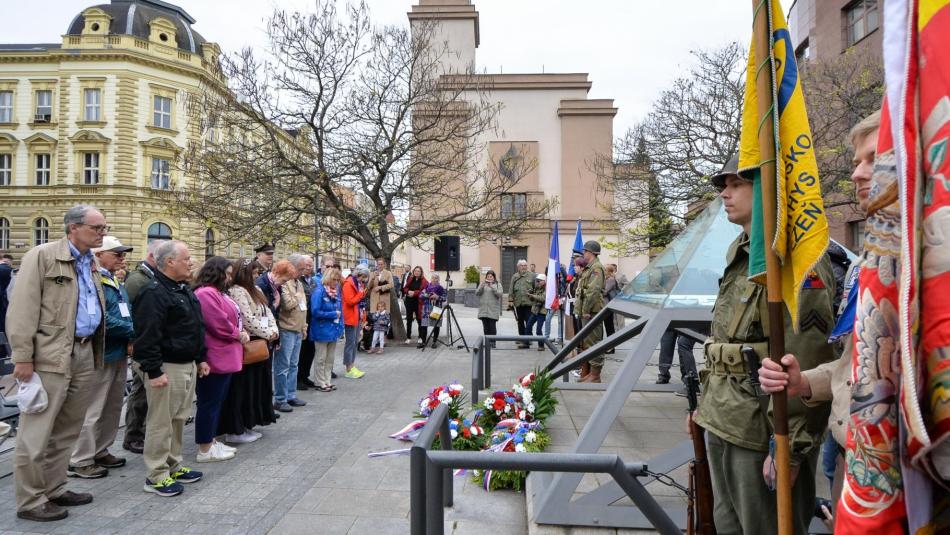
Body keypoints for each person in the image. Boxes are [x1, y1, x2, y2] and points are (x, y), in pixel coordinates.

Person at [692, 156, 836, 534]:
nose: (725, 193)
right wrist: (704, 407)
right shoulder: (741, 253)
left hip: (762, 430)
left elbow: (806, 359)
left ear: (770, 187)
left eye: (737, 183)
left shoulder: (793, 259)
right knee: (727, 526)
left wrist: (791, 447)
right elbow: (725, 340)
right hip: (725, 418)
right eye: (724, 184)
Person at [757, 110, 880, 524]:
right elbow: (852, 365)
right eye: (856, 163)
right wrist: (804, 381)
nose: (858, 174)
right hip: (852, 455)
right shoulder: (871, 267)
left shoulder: (931, 267)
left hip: (904, 471)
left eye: (874, 159)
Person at [8, 205, 107, 521]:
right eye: (97, 227)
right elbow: (23, 308)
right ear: (74, 228)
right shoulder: (43, 256)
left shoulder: (89, 262)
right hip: (50, 356)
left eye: (103, 227)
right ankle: (30, 500)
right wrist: (22, 357)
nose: (102, 233)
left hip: (83, 352)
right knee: (36, 433)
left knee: (67, 430)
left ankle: (54, 487)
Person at [132, 240, 208, 497]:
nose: (191, 262)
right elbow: (147, 336)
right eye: (186, 258)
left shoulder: (181, 289)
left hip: (186, 364)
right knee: (160, 422)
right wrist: (154, 371)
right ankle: (156, 475)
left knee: (178, 419)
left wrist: (201, 358)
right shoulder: (154, 293)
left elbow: (195, 327)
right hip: (166, 366)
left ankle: (173, 465)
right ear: (169, 262)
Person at [68, 236, 135, 480]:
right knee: (92, 409)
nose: (122, 257)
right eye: (116, 253)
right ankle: (80, 458)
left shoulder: (113, 280)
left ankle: (100, 449)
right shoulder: (92, 279)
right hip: (100, 352)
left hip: (116, 351)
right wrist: (133, 330)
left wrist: (129, 330)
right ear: (99, 254)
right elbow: (100, 317)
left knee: (112, 406)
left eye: (122, 253)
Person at [221, 259, 279, 444]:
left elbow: (267, 311)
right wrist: (267, 333)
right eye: (253, 273)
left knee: (258, 386)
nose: (256, 277)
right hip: (250, 343)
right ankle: (238, 427)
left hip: (262, 341)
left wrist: (273, 329)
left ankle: (250, 423)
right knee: (245, 387)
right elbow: (247, 318)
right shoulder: (237, 291)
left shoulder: (257, 290)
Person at [192, 257, 243, 463]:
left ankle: (211, 441)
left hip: (224, 355)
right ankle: (205, 448)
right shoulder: (206, 293)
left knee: (216, 401)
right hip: (215, 355)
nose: (229, 278)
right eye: (227, 273)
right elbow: (218, 323)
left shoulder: (216, 293)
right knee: (209, 403)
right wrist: (238, 334)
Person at [122, 239, 167, 454]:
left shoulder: (151, 277)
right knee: (140, 393)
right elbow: (130, 311)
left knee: (146, 394)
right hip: (143, 344)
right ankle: (133, 436)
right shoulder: (138, 279)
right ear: (152, 256)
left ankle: (141, 433)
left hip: (153, 344)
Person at [575, 241, 606, 382]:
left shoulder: (596, 268)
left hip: (592, 311)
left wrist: (586, 309)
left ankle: (595, 375)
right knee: (587, 341)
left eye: (585, 251)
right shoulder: (590, 267)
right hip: (587, 310)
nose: (583, 254)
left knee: (594, 342)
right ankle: (590, 373)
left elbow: (593, 291)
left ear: (591, 253)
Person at [309, 267, 342, 391]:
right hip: (321, 329)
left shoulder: (336, 291)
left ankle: (327, 381)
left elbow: (340, 311)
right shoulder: (319, 291)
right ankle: (320, 382)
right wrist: (333, 314)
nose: (336, 282)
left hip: (333, 330)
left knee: (330, 358)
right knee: (321, 358)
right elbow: (315, 311)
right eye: (334, 279)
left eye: (338, 280)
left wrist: (340, 326)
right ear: (327, 278)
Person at [290, 254, 317, 391]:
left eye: (311, 265)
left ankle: (305, 375)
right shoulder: (297, 280)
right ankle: (298, 379)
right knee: (300, 351)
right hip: (301, 320)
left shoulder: (313, 281)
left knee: (310, 350)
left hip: (312, 319)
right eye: (306, 265)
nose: (308, 268)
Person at [342, 264, 375, 378]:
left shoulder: (357, 284)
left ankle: (352, 365)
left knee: (355, 342)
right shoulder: (348, 283)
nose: (363, 280)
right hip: (350, 317)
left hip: (357, 316)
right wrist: (361, 294)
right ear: (358, 274)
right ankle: (348, 368)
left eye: (365, 277)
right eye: (362, 277)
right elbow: (350, 301)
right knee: (350, 343)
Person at [509, 259, 536, 348]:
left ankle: (528, 338)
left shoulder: (532, 276)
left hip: (529, 303)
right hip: (518, 303)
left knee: (528, 321)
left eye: (525, 265)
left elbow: (535, 288)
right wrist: (510, 300)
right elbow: (511, 289)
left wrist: (535, 297)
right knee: (520, 321)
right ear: (518, 267)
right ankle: (521, 338)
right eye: (522, 265)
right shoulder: (515, 276)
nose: (524, 267)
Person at [419, 273, 446, 349]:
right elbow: (420, 295)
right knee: (424, 325)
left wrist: (437, 297)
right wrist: (429, 296)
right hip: (427, 308)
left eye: (436, 278)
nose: (434, 279)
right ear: (431, 279)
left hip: (436, 309)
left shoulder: (441, 288)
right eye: (433, 278)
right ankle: (423, 342)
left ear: (439, 279)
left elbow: (444, 298)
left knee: (436, 325)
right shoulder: (427, 287)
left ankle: (434, 342)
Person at [476, 270, 503, 347]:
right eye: (488, 276)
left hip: (493, 309)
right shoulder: (482, 284)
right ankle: (487, 343)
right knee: (486, 328)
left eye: (491, 276)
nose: (489, 278)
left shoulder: (498, 284)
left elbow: (499, 294)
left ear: (494, 277)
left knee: (492, 327)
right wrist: (481, 287)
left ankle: (493, 342)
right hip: (483, 309)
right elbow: (477, 293)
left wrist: (492, 287)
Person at [402, 266, 427, 344]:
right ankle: (408, 337)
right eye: (415, 271)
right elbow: (405, 288)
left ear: (421, 272)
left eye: (418, 271)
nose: (416, 272)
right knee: (409, 320)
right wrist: (408, 291)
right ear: (413, 272)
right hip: (409, 301)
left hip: (418, 302)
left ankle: (420, 337)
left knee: (419, 320)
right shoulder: (410, 279)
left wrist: (414, 293)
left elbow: (424, 291)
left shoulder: (424, 281)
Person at [525, 274, 548, 350]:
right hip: (535, 310)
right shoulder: (537, 288)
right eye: (537, 281)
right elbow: (533, 300)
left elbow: (542, 298)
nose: (538, 282)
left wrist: (533, 296)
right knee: (528, 326)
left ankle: (541, 346)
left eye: (539, 281)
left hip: (542, 311)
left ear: (544, 281)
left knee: (538, 330)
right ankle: (526, 343)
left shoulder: (547, 289)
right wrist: (530, 296)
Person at [602, 264, 620, 354]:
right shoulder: (605, 279)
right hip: (604, 306)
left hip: (608, 306)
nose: (603, 271)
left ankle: (611, 347)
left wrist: (597, 288)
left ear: (609, 271)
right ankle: (607, 346)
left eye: (605, 270)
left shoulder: (611, 279)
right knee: (607, 326)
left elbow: (604, 292)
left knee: (609, 327)